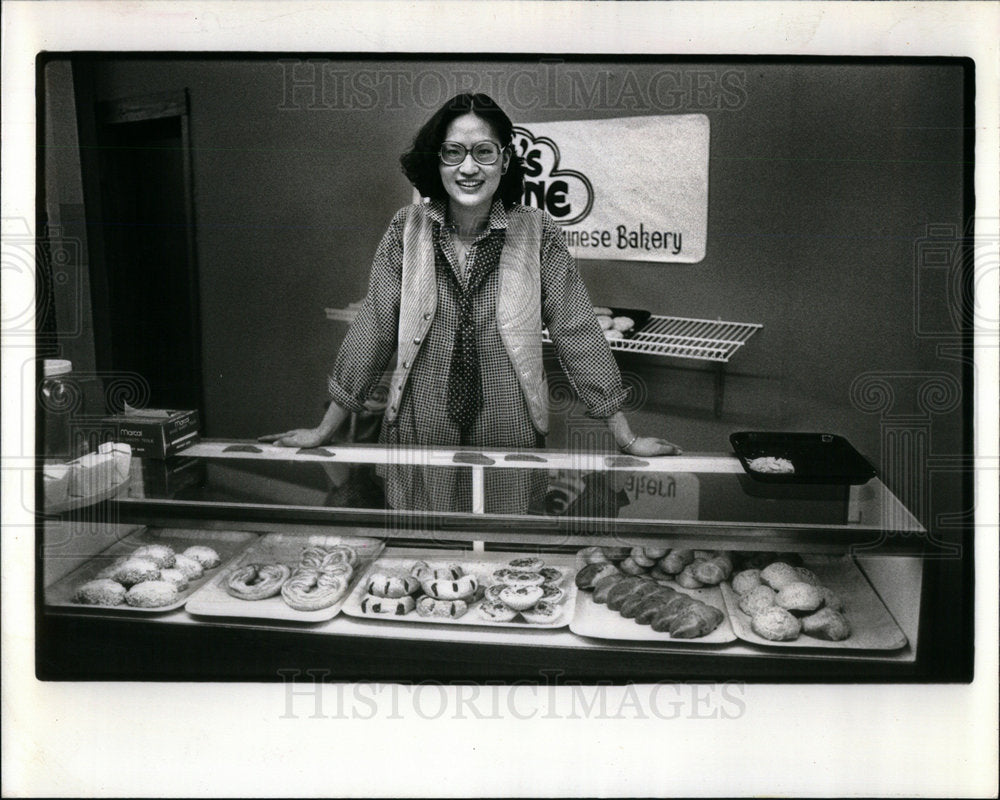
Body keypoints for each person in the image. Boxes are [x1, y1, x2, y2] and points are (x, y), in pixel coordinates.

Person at [261, 93, 681, 513]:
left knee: (505, 553)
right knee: (424, 551)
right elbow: (374, 326)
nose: (468, 167)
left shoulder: (536, 231)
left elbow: (576, 329)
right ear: (437, 160)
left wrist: (625, 436)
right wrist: (324, 430)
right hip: (419, 426)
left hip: (508, 425)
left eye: (483, 152)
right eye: (453, 152)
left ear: (504, 160)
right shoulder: (405, 229)